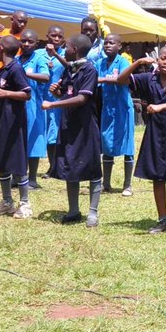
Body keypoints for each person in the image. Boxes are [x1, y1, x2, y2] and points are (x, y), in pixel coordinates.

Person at [116, 46, 166, 235]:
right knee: (157, 178)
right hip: (154, 135)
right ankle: (162, 219)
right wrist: (137, 63)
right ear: (157, 60)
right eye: (163, 58)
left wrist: (161, 108)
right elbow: (120, 81)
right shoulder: (148, 78)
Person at [42, 34, 104, 228]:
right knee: (70, 165)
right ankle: (73, 210)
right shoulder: (70, 70)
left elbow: (82, 99)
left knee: (92, 168)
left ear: (75, 49)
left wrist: (53, 103)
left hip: (86, 127)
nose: (64, 49)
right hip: (69, 124)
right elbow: (69, 93)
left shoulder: (89, 70)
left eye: (66, 47)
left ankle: (92, 212)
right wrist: (57, 92)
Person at [0, 36, 32, 218]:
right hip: (2, 121)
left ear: (1, 48)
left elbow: (26, 94)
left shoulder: (16, 68)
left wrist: (7, 93)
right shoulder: (3, 69)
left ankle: (25, 204)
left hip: (14, 124)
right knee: (2, 160)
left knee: (17, 161)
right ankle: (7, 201)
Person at [96, 33, 136, 196]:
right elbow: (93, 79)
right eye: (106, 43)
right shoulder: (100, 63)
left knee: (127, 145)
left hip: (123, 108)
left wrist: (104, 79)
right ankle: (106, 183)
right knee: (106, 143)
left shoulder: (124, 61)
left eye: (111, 43)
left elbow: (124, 80)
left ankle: (127, 185)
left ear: (119, 46)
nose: (107, 46)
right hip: (107, 108)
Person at [16, 30, 50, 192]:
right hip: (17, 105)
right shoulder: (16, 59)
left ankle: (33, 179)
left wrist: (28, 74)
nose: (26, 44)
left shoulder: (38, 59)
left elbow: (46, 76)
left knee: (33, 141)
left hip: (33, 105)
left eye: (30, 41)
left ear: (36, 44)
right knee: (19, 140)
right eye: (23, 41)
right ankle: (18, 176)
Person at [42, 26, 66, 178]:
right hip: (41, 99)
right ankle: (52, 166)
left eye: (59, 36)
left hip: (59, 99)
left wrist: (56, 55)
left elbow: (71, 69)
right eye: (53, 35)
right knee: (45, 134)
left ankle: (57, 167)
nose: (56, 39)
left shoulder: (66, 55)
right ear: (47, 37)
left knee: (56, 133)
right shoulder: (39, 54)